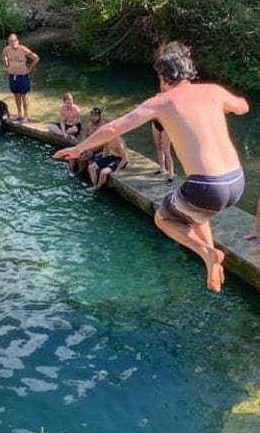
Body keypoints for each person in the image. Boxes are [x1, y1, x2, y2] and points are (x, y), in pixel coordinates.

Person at [54, 41, 248, 292]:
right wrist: (221, 106)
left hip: (207, 186)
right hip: (236, 182)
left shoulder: (162, 101)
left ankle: (207, 253)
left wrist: (79, 149)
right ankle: (209, 258)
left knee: (164, 217)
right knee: (195, 211)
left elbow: (113, 128)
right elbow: (242, 107)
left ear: (164, 77)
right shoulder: (212, 90)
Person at [1, 32, 39, 121]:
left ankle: (26, 115)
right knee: (16, 95)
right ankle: (19, 114)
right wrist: (7, 66)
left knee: (24, 96)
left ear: (17, 41)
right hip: (12, 75)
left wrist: (29, 69)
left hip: (22, 75)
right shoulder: (7, 49)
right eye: (11, 41)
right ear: (8, 42)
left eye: (14, 41)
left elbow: (36, 58)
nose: (13, 43)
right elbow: (3, 57)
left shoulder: (23, 49)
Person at [75, 107, 104, 174]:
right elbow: (84, 138)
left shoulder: (102, 127)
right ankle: (76, 173)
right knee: (72, 157)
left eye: (96, 116)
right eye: (92, 116)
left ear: (99, 117)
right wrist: (82, 147)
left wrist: (90, 150)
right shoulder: (89, 125)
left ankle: (81, 174)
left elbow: (102, 144)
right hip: (88, 148)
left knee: (83, 158)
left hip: (98, 150)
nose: (93, 118)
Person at [151, 118, 175, 184]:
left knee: (166, 151)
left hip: (167, 126)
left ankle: (171, 176)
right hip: (155, 123)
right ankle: (162, 168)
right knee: (159, 148)